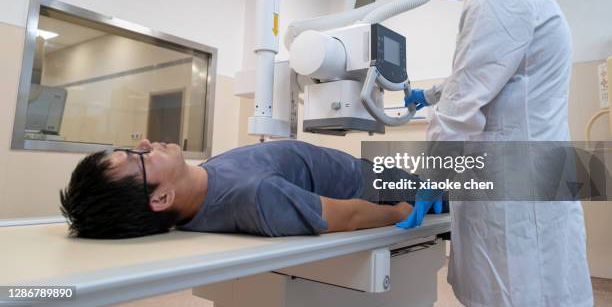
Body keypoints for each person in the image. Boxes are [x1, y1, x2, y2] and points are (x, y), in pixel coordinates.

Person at [397, 0, 593, 307]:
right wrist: (428, 95)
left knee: (518, 289)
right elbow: (490, 74)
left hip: (515, 192)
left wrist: (432, 173)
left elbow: (463, 102)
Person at [59, 139, 417, 239]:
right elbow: (349, 216)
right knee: (470, 184)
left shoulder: (203, 180)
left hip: (369, 168)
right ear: (161, 197)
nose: (147, 143)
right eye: (138, 156)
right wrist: (402, 211)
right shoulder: (253, 196)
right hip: (374, 185)